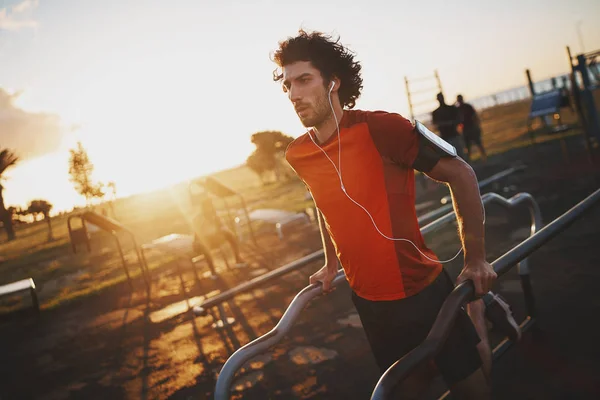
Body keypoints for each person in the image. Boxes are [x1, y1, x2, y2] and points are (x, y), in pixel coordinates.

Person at [271, 30, 520, 399]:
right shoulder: (298, 154)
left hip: (424, 292)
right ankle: (476, 316)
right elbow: (325, 205)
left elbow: (461, 173)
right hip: (370, 304)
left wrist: (477, 259)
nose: (293, 94)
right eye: (288, 85)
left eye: (304, 80)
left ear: (333, 82)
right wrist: (330, 264)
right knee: (409, 387)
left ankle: (477, 314)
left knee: (470, 384)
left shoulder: (382, 127)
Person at [192, 192, 247, 275]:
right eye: (208, 207)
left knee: (230, 235)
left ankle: (238, 259)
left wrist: (220, 227)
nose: (210, 209)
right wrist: (198, 241)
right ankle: (213, 271)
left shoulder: (214, 216)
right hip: (203, 241)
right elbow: (197, 233)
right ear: (203, 208)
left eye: (211, 206)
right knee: (204, 245)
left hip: (215, 238)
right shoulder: (198, 218)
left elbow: (222, 227)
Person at [432, 92, 468, 162]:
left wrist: (449, 123)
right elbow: (435, 125)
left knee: (460, 157)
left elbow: (459, 120)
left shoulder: (451, 109)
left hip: (453, 135)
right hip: (445, 138)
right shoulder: (436, 112)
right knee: (451, 159)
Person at [456, 94, 487, 162]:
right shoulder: (460, 108)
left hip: (471, 127)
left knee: (477, 143)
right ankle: (470, 159)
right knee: (468, 145)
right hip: (466, 129)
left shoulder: (467, 107)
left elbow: (474, 116)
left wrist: (477, 125)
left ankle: (483, 157)